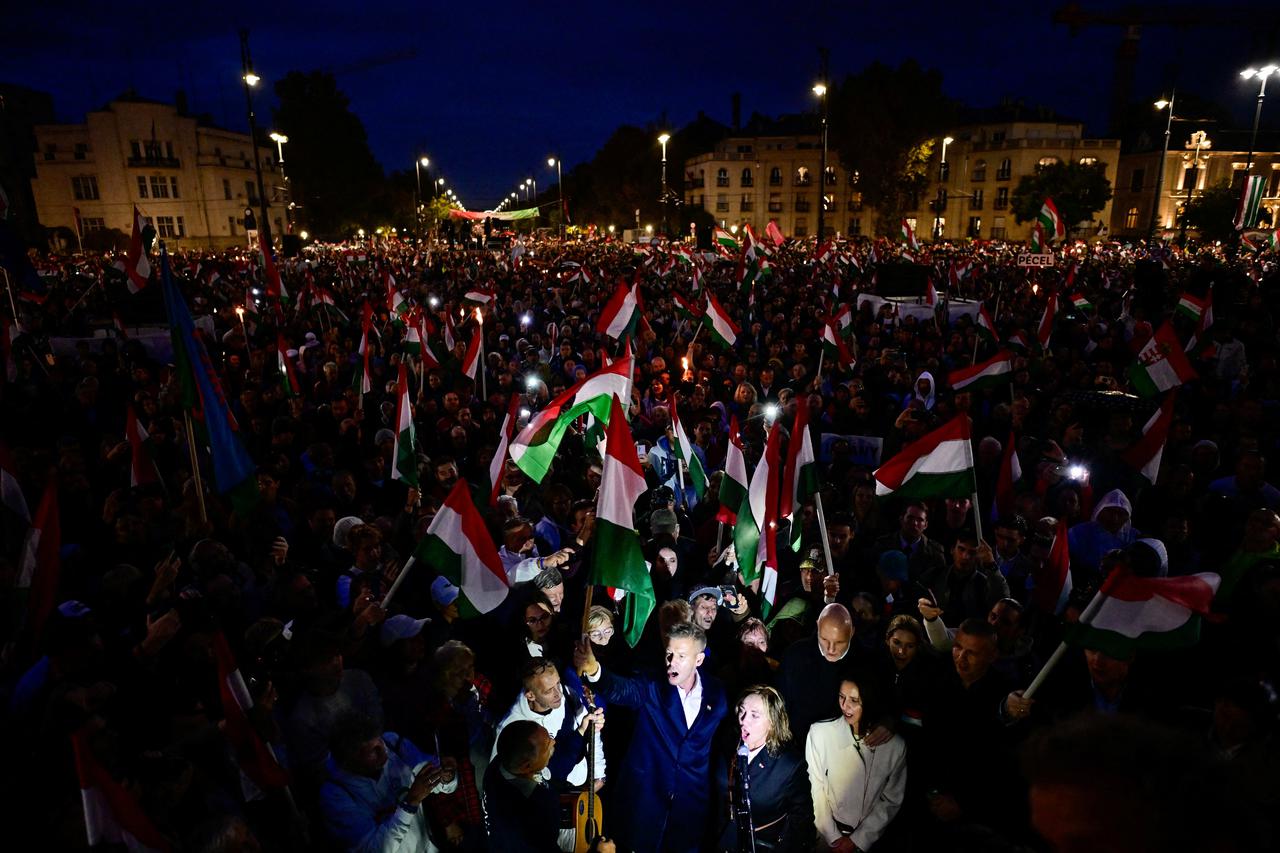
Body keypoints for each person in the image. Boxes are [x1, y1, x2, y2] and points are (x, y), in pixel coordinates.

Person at [573, 622, 727, 852]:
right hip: (644, 799)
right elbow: (623, 690)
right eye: (669, 654)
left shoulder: (718, 693)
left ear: (699, 660)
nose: (671, 662)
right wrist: (595, 670)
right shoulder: (653, 684)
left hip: (690, 806)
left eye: (681, 656)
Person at [318, 712, 459, 852]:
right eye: (373, 750)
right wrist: (410, 802)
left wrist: (446, 776)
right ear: (350, 760)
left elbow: (437, 779)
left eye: (379, 740)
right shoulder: (335, 795)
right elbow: (374, 849)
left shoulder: (393, 743)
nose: (383, 750)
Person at [806, 675, 907, 853]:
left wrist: (859, 839)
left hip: (869, 842)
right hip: (826, 837)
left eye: (854, 700)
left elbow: (891, 800)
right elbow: (815, 789)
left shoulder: (894, 747)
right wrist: (834, 837)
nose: (845, 706)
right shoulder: (820, 734)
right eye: (841, 697)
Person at [716, 685, 813, 852]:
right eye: (742, 710)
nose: (744, 720)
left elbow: (802, 820)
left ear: (772, 723)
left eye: (754, 715)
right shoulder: (727, 742)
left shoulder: (789, 765)